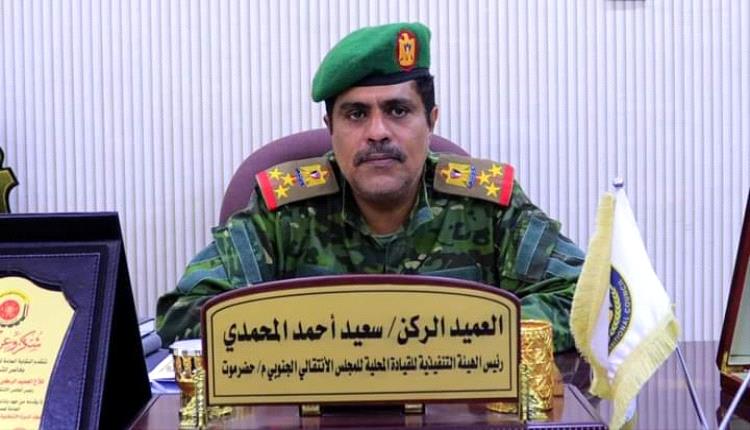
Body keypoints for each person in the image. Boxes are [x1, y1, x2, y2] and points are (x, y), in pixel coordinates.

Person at [156, 22, 584, 352]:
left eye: (398, 110)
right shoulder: (284, 211)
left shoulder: (487, 205)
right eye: (356, 115)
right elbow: (184, 315)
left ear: (431, 121)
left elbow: (585, 298)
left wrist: (453, 340)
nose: (378, 132)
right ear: (330, 128)